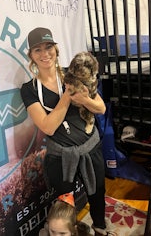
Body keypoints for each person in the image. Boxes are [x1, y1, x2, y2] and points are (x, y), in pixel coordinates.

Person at [20, 27, 107, 235]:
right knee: (64, 203)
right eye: (37, 50)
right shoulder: (29, 89)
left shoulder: (73, 72)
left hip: (90, 147)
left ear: (56, 49)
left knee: (97, 194)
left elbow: (101, 108)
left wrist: (84, 99)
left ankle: (100, 228)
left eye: (48, 47)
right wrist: (69, 94)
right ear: (31, 55)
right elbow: (48, 126)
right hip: (60, 155)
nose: (44, 54)